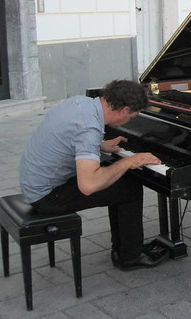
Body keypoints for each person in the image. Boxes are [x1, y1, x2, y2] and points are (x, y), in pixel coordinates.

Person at [19, 79, 168, 270]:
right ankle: (130, 256)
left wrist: (101, 146)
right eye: (132, 116)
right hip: (46, 196)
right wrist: (129, 161)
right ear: (124, 110)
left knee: (121, 182)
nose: (130, 120)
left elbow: (70, 137)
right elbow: (88, 185)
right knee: (129, 187)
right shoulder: (89, 128)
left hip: (34, 181)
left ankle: (123, 248)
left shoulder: (80, 102)